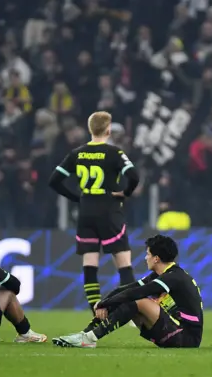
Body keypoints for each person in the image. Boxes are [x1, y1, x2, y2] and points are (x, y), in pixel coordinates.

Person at [49, 111, 140, 315]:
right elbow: (134, 176)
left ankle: (96, 312)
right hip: (109, 210)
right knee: (123, 264)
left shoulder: (77, 153)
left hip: (86, 212)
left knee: (90, 264)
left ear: (90, 129)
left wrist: (77, 198)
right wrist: (125, 193)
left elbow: (53, 181)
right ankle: (131, 313)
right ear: (108, 130)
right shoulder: (114, 153)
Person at [52, 234, 203, 348]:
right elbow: (127, 288)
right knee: (124, 298)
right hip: (173, 331)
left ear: (156, 258)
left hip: (186, 338)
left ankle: (90, 338)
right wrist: (105, 303)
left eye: (148, 254)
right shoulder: (164, 274)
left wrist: (103, 303)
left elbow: (137, 293)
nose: (145, 258)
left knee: (138, 301)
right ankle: (85, 334)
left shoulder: (173, 277)